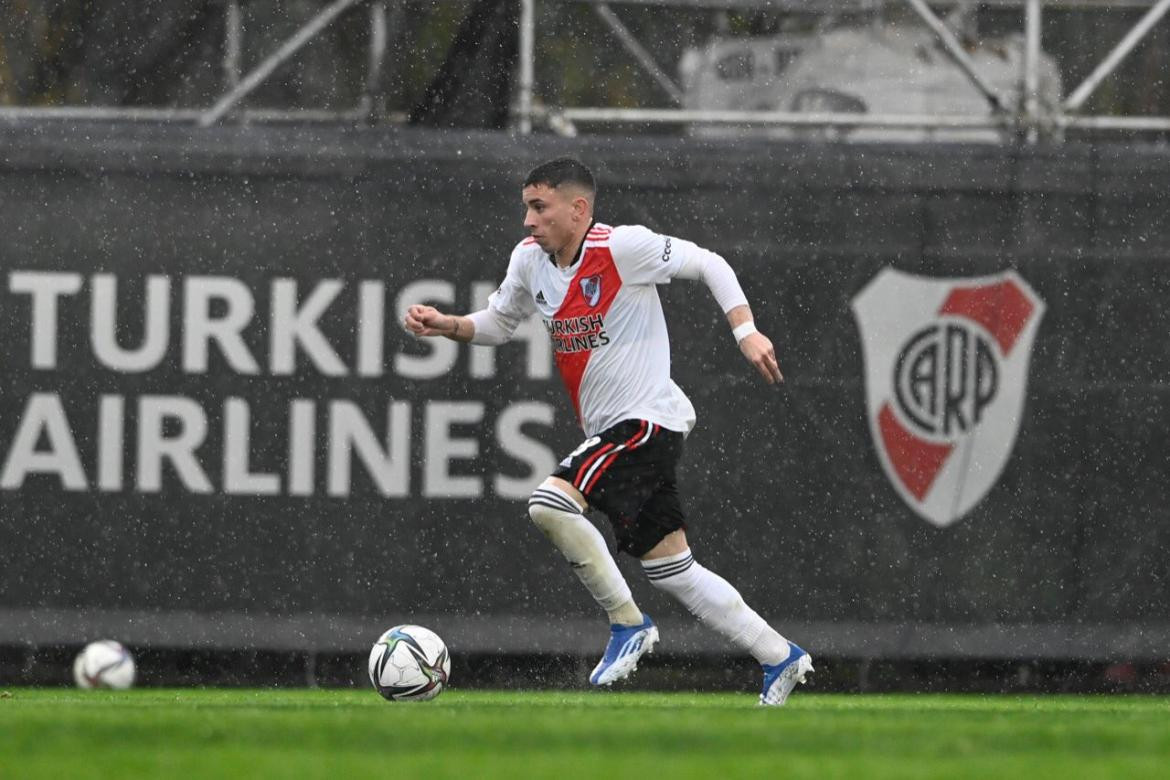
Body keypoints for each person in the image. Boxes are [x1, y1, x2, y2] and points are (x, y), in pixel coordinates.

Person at [404, 157, 813, 705]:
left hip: (645, 421)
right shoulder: (529, 262)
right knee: (674, 569)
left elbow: (710, 263)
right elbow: (499, 323)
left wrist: (746, 331)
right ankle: (780, 656)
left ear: (578, 209)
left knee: (549, 504)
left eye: (539, 207)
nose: (527, 220)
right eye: (526, 206)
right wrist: (447, 325)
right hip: (623, 430)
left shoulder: (622, 247)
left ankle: (628, 624)